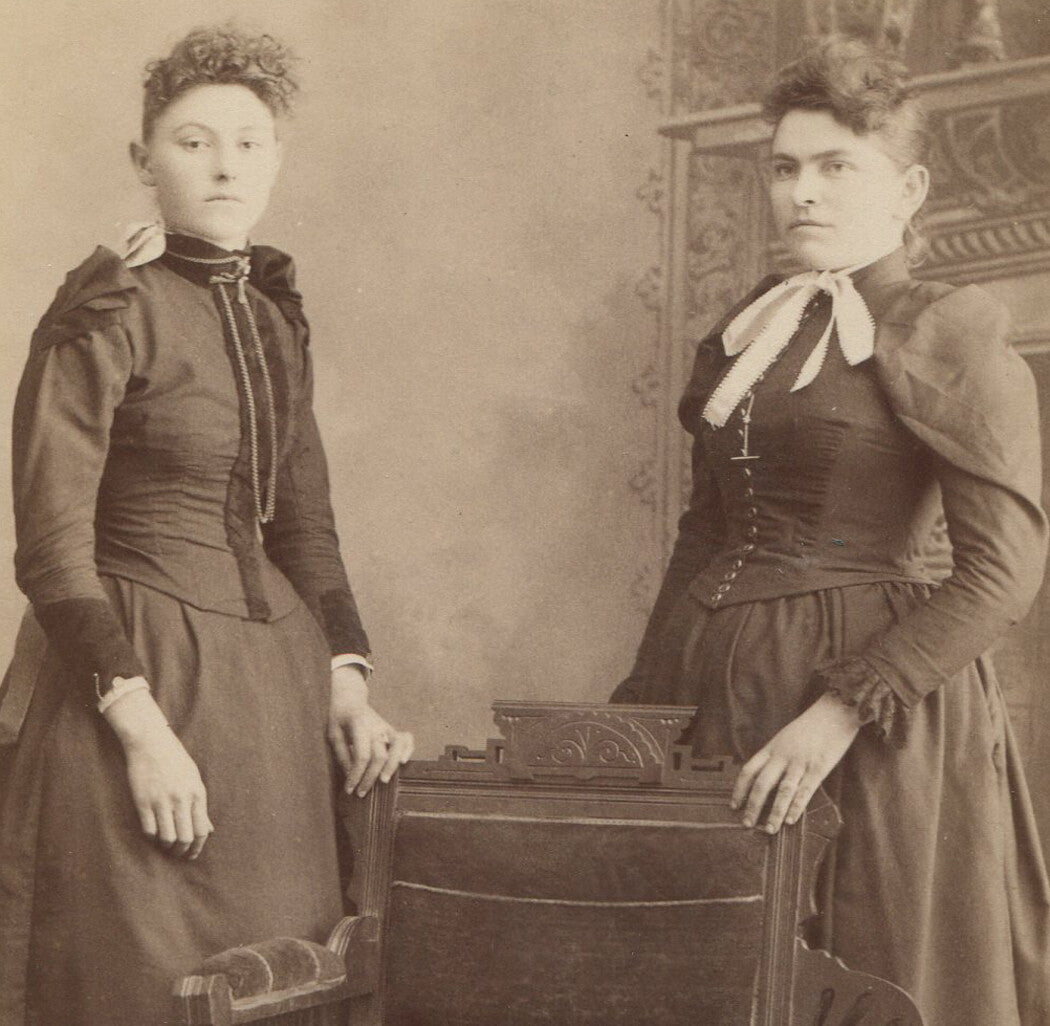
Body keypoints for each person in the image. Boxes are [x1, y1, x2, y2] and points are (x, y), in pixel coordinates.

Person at [612, 36, 1050, 1026]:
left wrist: (843, 710)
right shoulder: (746, 335)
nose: (801, 192)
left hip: (871, 726)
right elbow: (701, 536)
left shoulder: (948, 326)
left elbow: (1002, 571)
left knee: (858, 978)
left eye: (835, 166)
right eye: (785, 167)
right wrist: (644, 713)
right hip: (724, 702)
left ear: (909, 189)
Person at [0, 25, 413, 1026]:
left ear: (276, 157)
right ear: (143, 161)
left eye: (248, 141)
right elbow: (51, 548)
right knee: (138, 986)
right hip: (135, 694)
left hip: (271, 719)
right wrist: (142, 733)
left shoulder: (273, 316)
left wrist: (345, 685)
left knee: (278, 983)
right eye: (193, 142)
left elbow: (306, 526)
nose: (225, 164)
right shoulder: (105, 308)